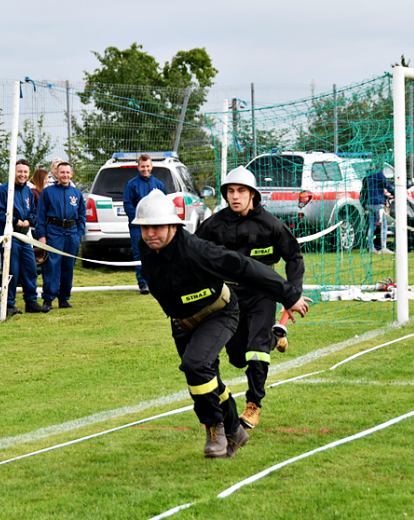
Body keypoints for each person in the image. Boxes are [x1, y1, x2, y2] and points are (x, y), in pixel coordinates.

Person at [135, 190, 310, 458]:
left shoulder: (196, 251)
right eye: (145, 228)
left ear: (173, 225)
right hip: (181, 323)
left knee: (196, 365)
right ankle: (235, 431)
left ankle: (214, 427)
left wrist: (289, 294)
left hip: (218, 313)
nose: (150, 234)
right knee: (203, 378)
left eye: (156, 227)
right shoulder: (146, 248)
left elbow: (244, 267)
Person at [195, 166, 305, 431]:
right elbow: (193, 253)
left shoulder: (271, 224)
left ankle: (253, 405)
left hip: (262, 293)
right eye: (230, 191)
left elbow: (294, 257)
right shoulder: (214, 224)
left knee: (256, 351)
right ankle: (274, 336)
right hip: (227, 297)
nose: (235, 196)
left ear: (253, 194)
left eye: (241, 191)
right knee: (238, 357)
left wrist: (292, 294)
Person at [0, 159, 48, 314]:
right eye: (19, 171)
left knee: (30, 268)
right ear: (13, 172)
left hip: (24, 237)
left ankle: (31, 301)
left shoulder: (28, 191)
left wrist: (29, 220)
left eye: (25, 172)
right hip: (9, 236)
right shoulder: (3, 190)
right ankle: (8, 304)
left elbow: (33, 211)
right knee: (11, 271)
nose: (22, 174)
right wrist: (15, 220)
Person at [34, 162, 85, 311]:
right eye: (62, 172)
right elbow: (41, 216)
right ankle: (48, 299)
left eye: (67, 172)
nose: (65, 175)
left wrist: (78, 233)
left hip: (71, 234)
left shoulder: (77, 193)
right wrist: (41, 236)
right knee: (52, 266)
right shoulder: (48, 192)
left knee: (68, 266)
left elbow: (82, 215)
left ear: (71, 174)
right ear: (56, 174)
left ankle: (64, 298)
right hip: (54, 232)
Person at [123, 154, 166, 295]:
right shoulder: (132, 184)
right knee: (140, 253)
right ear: (138, 167)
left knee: (157, 253)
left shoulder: (159, 184)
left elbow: (164, 203)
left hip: (156, 225)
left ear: (151, 166)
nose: (145, 169)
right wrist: (139, 219)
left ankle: (157, 281)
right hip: (138, 227)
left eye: (148, 166)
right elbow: (128, 204)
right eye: (143, 166)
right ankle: (143, 283)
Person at [361, 165, 395, 254]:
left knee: (372, 226)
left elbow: (372, 191)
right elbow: (387, 185)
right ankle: (383, 247)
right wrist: (395, 193)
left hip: (369, 204)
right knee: (384, 225)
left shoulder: (368, 176)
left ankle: (371, 248)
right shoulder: (379, 174)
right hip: (378, 204)